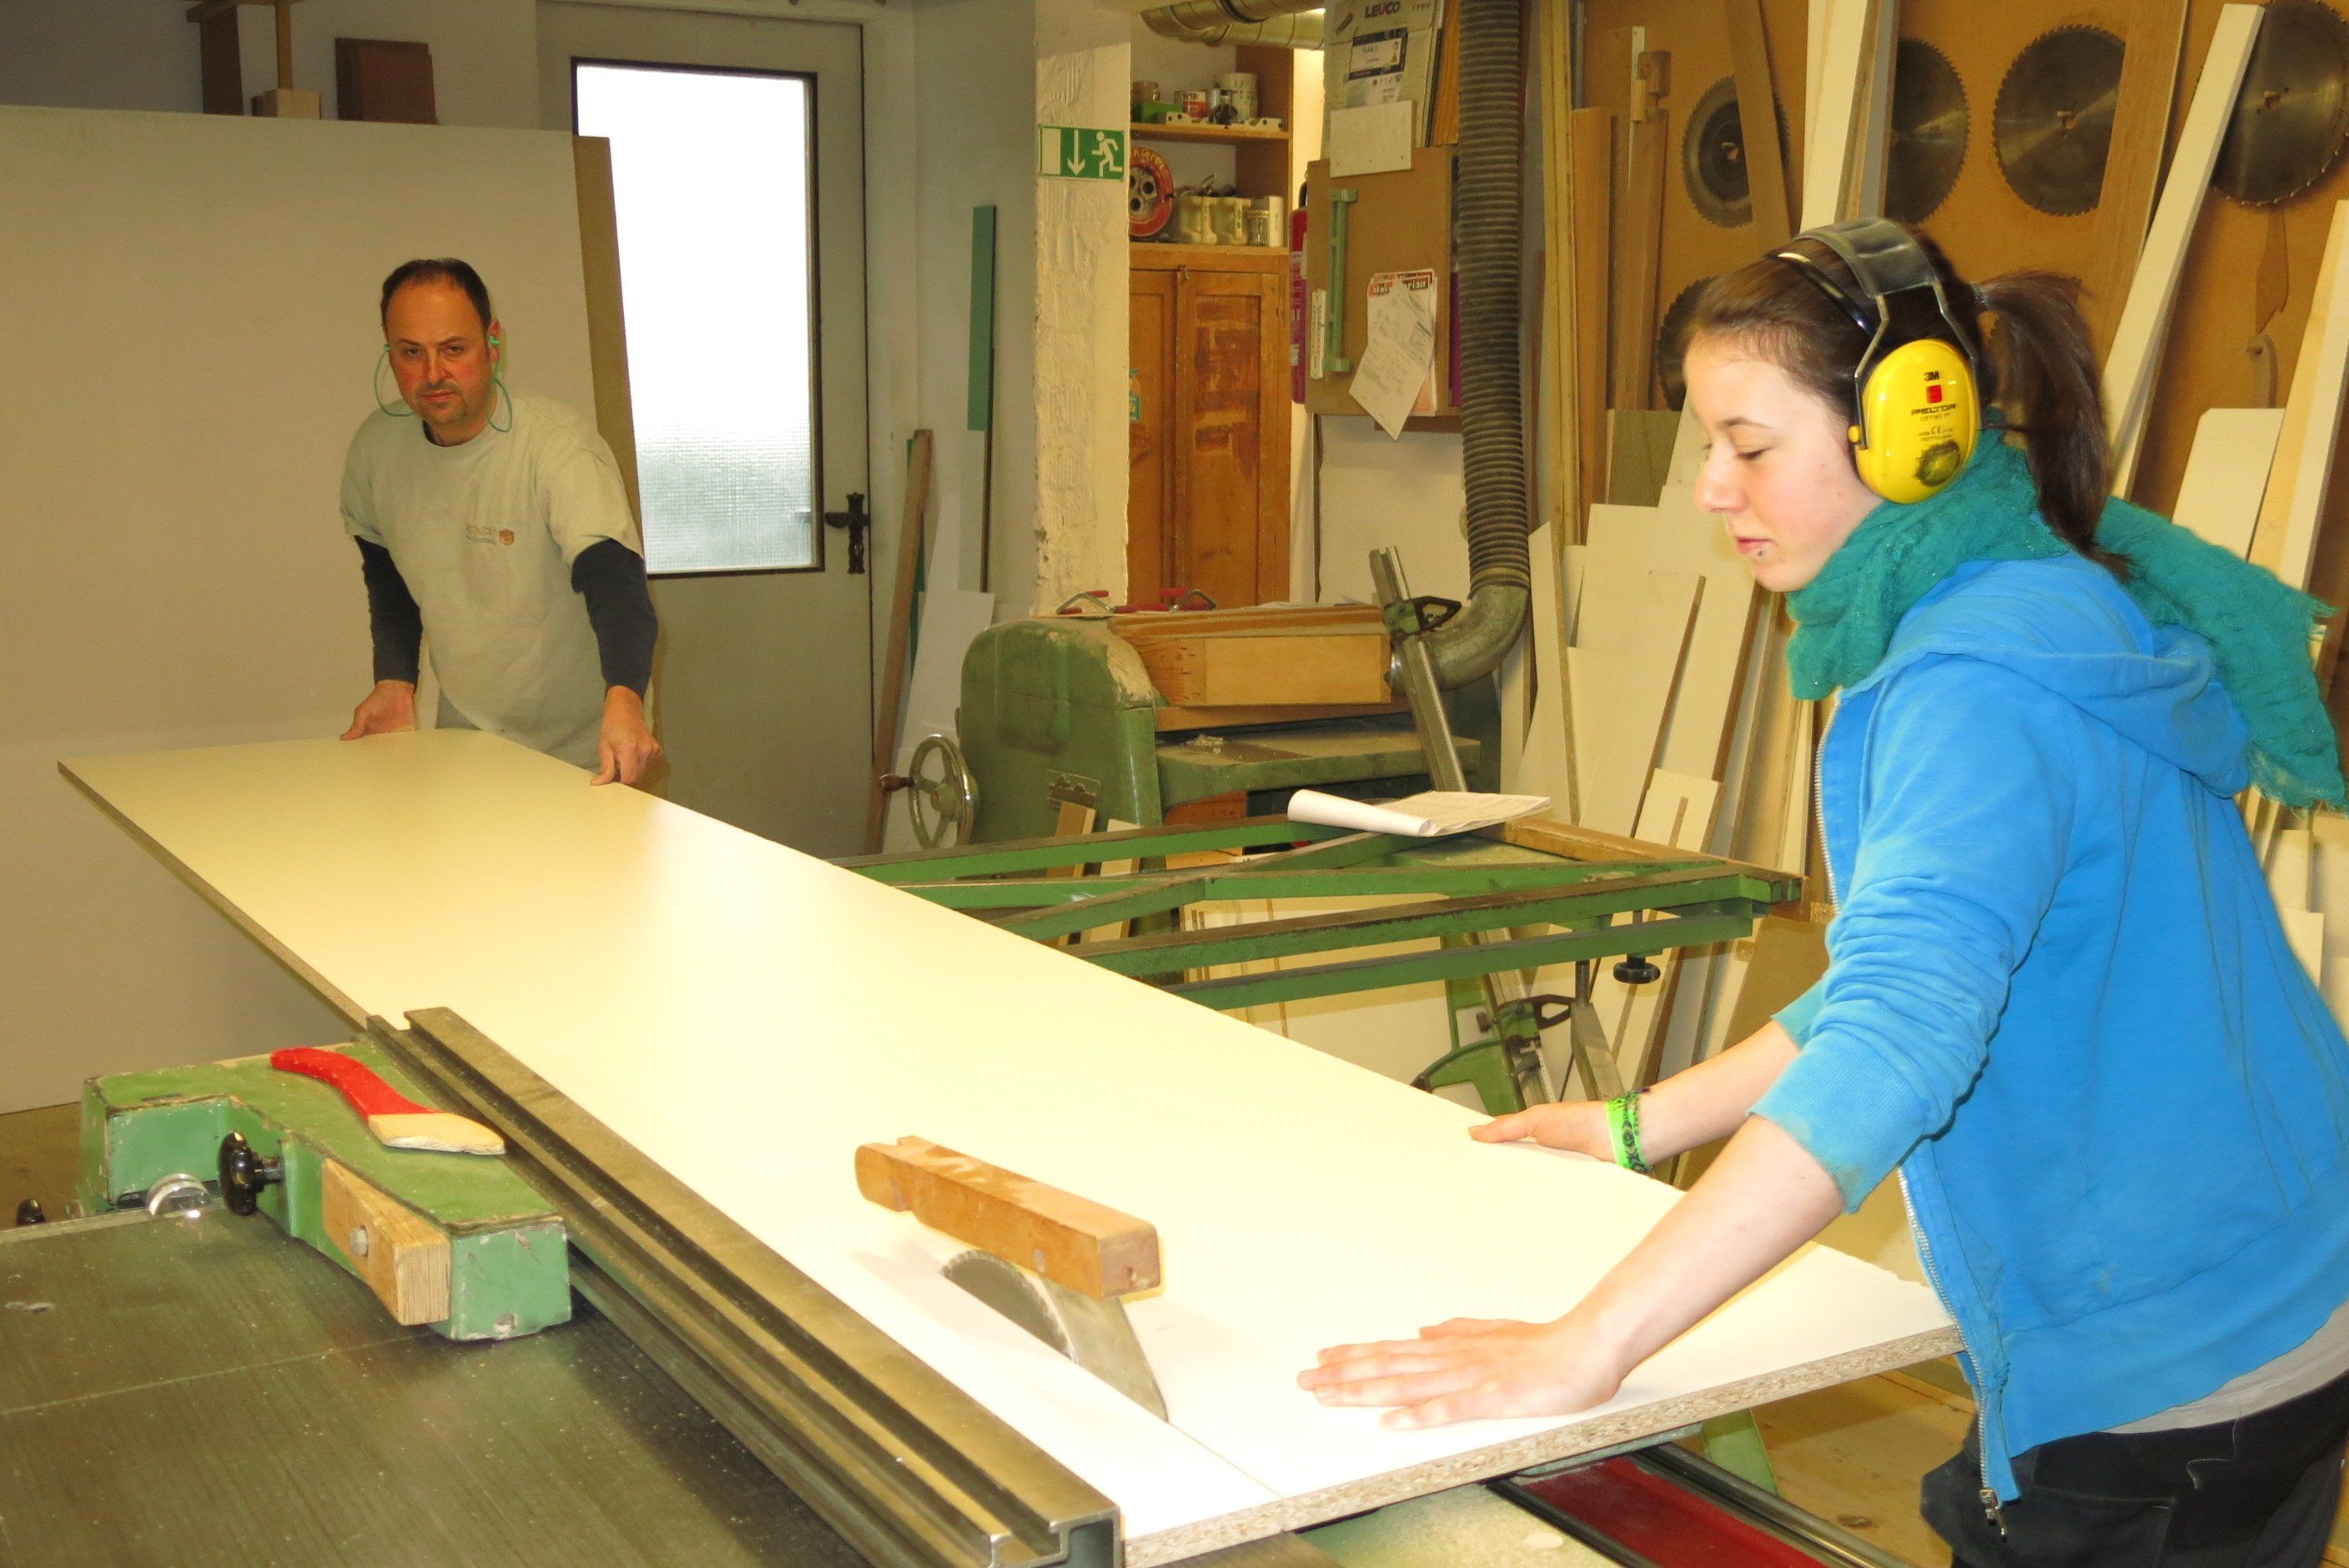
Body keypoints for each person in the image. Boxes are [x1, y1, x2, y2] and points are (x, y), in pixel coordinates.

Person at [1300, 219, 2349, 1565]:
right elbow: (1921, 980)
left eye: (1749, 446)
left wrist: (1586, 1346)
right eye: (1708, 445)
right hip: (2272, 1271)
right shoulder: (2051, 583)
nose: (1709, 489)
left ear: (1909, 433)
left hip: (2171, 1364)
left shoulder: (1969, 684)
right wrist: (1643, 1123)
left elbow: (1900, 1033)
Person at [340, 257, 662, 785]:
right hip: (468, 740)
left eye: (453, 349)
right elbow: (389, 578)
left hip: (589, 748)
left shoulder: (558, 448)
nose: (433, 374)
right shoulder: (376, 449)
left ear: (492, 343)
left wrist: (626, 702)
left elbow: (616, 585)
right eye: (411, 352)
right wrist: (395, 681)